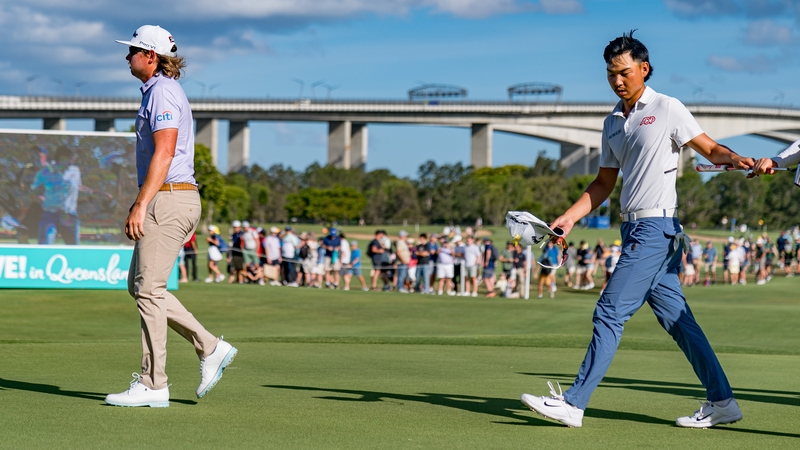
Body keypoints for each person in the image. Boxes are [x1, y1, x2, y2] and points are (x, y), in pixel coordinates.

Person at [521, 31, 749, 428]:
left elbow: (711, 150)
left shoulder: (667, 107)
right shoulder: (611, 122)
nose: (617, 80)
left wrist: (736, 158)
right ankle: (723, 401)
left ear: (644, 69)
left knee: (609, 311)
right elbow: (603, 184)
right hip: (634, 231)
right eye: (611, 74)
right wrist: (569, 217)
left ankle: (574, 403)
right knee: (681, 323)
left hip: (657, 229)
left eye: (624, 72)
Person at [105, 25, 237, 408]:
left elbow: (164, 153)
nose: (126, 56)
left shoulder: (162, 91)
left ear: (151, 56)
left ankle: (153, 383)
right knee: (142, 287)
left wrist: (141, 203)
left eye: (132, 50)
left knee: (148, 291)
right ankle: (210, 347)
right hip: (171, 197)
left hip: (169, 197)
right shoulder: (157, 91)